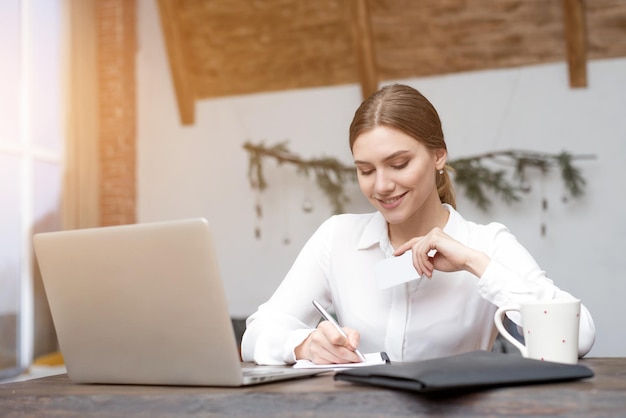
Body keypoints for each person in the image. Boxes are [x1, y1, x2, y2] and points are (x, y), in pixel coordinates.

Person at [241, 84, 596, 365]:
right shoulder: (338, 239)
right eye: (365, 170)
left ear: (438, 155)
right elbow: (256, 334)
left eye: (398, 164)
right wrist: (303, 344)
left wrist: (474, 264)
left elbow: (578, 337)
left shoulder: (487, 245)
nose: (380, 186)